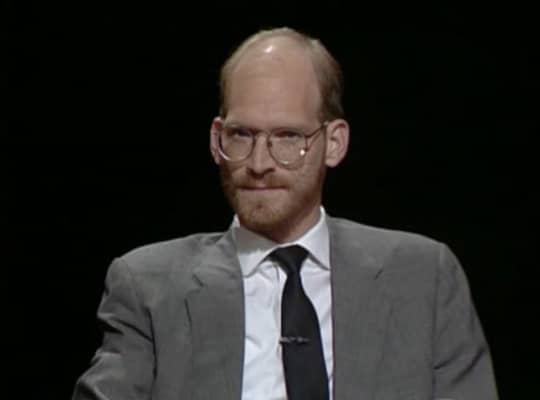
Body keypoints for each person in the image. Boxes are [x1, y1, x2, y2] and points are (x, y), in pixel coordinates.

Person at [72, 27, 499, 400]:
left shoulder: (423, 278)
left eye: (288, 137)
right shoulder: (149, 287)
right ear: (216, 139)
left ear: (334, 143)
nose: (259, 163)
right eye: (241, 135)